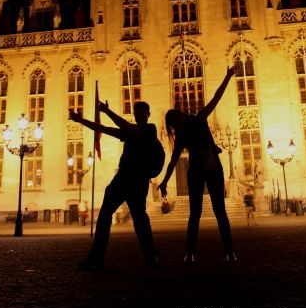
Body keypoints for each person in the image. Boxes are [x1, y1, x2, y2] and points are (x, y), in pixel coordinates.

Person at [157, 65, 237, 263]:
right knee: (208, 213)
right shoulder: (188, 130)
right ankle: (203, 252)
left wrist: (227, 77)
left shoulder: (196, 122)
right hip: (201, 171)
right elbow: (174, 160)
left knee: (208, 213)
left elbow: (216, 98)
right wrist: (165, 181)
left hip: (207, 170)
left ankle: (203, 252)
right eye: (176, 120)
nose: (179, 120)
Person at [69, 100, 159, 270]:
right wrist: (81, 121)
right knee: (105, 216)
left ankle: (150, 255)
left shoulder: (150, 129)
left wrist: (107, 111)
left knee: (140, 219)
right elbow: (104, 129)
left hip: (137, 181)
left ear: (148, 115)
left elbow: (126, 126)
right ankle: (97, 257)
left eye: (142, 113)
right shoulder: (130, 133)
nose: (139, 115)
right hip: (122, 179)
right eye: (136, 113)